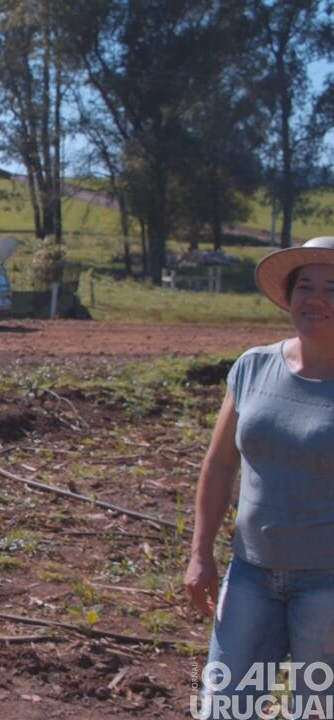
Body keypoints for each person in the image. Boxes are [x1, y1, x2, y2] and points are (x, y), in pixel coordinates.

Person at [184, 236, 334, 717]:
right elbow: (220, 464)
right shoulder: (253, 367)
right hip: (249, 574)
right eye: (304, 287)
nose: (315, 299)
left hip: (327, 586)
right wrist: (200, 554)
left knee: (319, 708)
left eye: (332, 288)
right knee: (224, 709)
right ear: (288, 297)